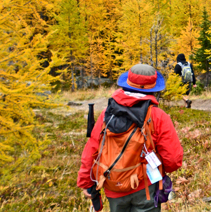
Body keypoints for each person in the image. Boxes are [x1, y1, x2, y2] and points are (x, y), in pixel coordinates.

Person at [78, 63, 184, 211]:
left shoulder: (107, 113)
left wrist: (86, 182)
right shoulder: (158, 116)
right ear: (153, 88)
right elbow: (173, 161)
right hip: (145, 187)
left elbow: (92, 149)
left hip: (113, 187)